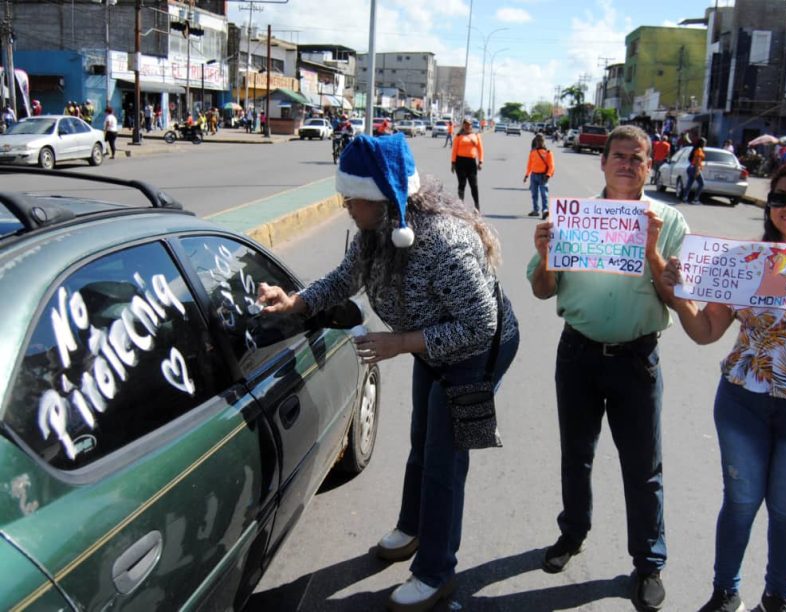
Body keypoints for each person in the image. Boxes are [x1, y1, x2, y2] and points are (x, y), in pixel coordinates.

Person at [256, 133, 519, 612]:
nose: (345, 207)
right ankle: (414, 527)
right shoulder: (376, 231)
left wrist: (401, 343)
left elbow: (479, 326)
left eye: (351, 199)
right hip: (430, 346)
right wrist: (295, 301)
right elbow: (344, 278)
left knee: (445, 461)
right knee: (423, 439)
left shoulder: (443, 241)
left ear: (380, 200)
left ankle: (437, 572)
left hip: (476, 350)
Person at [658, 160, 786, 612]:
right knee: (741, 500)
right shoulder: (744, 259)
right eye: (779, 198)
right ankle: (725, 591)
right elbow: (707, 332)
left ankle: (777, 597)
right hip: (743, 401)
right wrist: (678, 296)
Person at [527, 125, 689, 612]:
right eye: (617, 156)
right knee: (576, 455)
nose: (626, 164)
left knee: (644, 468)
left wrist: (653, 250)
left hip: (636, 359)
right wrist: (544, 256)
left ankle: (648, 563)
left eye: (636, 158)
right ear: (603, 163)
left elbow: (677, 297)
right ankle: (572, 533)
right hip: (577, 354)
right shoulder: (573, 218)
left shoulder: (669, 219)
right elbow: (541, 290)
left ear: (649, 166)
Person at [451, 119, 483, 210]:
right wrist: (453, 163)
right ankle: (461, 205)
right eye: (466, 125)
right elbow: (454, 150)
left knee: (474, 185)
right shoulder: (458, 136)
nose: (467, 126)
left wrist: (480, 161)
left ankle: (477, 205)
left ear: (472, 125)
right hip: (460, 162)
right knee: (462, 184)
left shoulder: (476, 135)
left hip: (471, 163)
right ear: (463, 125)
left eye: (469, 125)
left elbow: (480, 149)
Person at [523, 133, 555, 219]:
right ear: (535, 141)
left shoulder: (548, 153)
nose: (539, 142)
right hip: (534, 175)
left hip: (543, 176)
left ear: (543, 141)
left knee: (544, 194)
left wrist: (548, 175)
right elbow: (529, 165)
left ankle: (545, 210)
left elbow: (551, 166)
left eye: (541, 140)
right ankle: (535, 210)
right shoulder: (533, 152)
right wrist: (526, 175)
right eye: (538, 140)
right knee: (534, 194)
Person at [683, 138, 707, 204]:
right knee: (702, 184)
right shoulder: (699, 150)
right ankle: (695, 199)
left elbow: (691, 159)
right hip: (695, 168)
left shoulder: (696, 149)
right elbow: (698, 161)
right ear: (702, 143)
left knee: (689, 183)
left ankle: (685, 197)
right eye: (704, 143)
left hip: (691, 167)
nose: (705, 144)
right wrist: (697, 170)